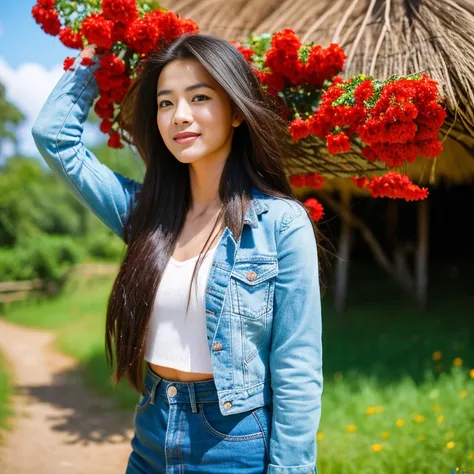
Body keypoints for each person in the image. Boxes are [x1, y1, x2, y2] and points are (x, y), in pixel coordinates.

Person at [32, 33, 323, 474]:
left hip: (235, 444)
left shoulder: (280, 224)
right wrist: (95, 61)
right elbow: (53, 137)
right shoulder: (144, 215)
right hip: (152, 432)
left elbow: (297, 368)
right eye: (165, 103)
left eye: (200, 96)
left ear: (236, 112)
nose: (179, 116)